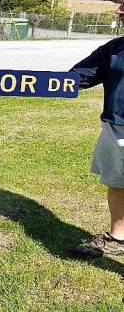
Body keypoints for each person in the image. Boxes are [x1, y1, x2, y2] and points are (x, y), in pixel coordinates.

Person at [69, 33, 124, 258]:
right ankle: (118, 238)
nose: (119, 13)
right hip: (116, 128)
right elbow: (76, 77)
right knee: (118, 184)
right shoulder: (115, 48)